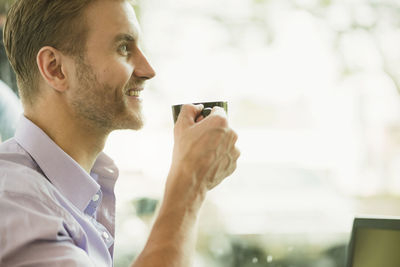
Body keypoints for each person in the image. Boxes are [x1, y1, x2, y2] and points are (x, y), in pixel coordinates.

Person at [0, 0, 240, 266]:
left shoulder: (63, 192)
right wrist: (190, 183)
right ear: (55, 68)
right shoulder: (15, 206)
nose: (148, 71)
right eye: (124, 48)